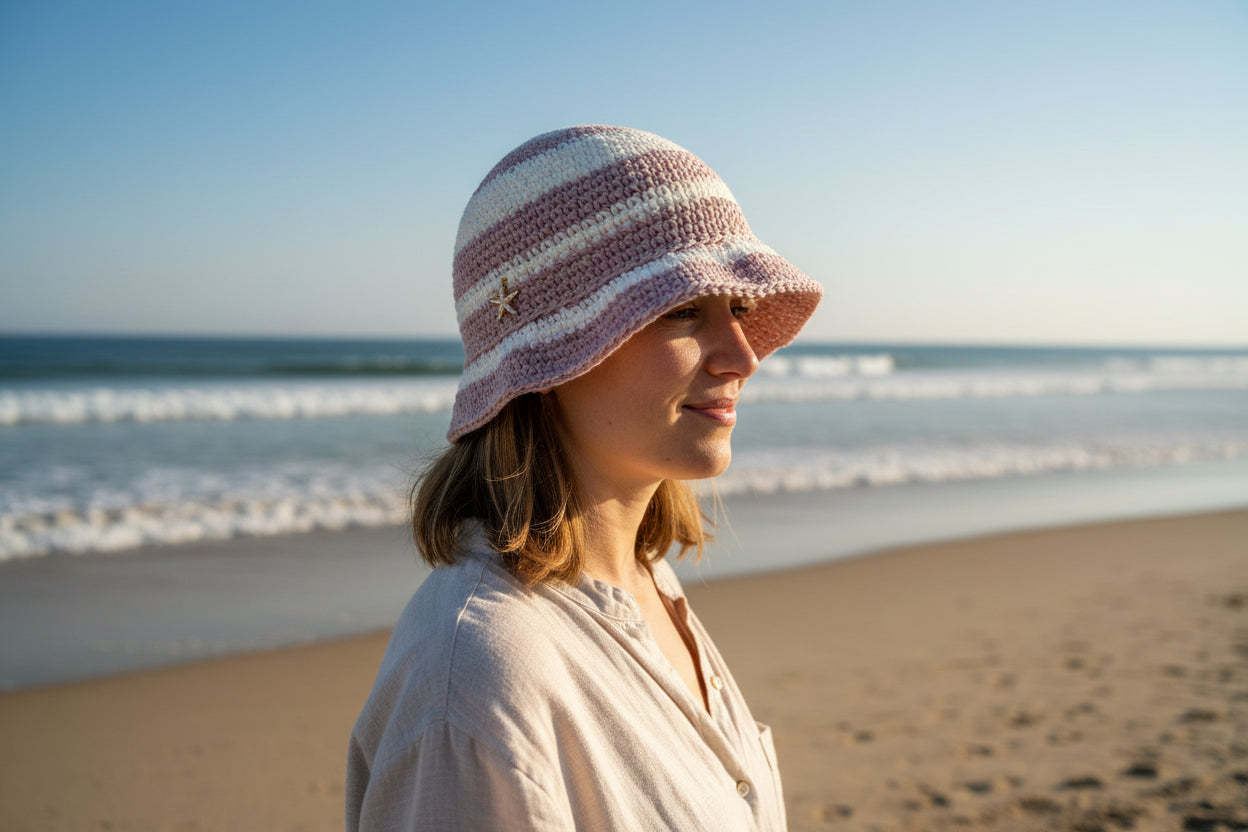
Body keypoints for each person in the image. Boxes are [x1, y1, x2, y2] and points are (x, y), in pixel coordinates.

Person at [346, 125, 823, 831]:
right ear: (551, 354)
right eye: (682, 311)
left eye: (741, 310)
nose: (742, 356)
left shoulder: (644, 578)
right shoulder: (476, 678)